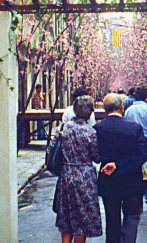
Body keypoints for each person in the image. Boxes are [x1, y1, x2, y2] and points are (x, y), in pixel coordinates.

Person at [48, 96, 103, 243]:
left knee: (66, 217)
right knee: (82, 219)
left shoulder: (62, 129)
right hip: (85, 177)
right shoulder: (90, 132)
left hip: (66, 175)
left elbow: (50, 149)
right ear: (90, 113)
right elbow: (97, 157)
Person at [94, 94, 147, 243]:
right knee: (131, 217)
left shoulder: (98, 128)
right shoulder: (134, 128)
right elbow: (142, 155)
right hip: (131, 181)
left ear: (105, 109)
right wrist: (120, 165)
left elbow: (94, 154)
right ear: (121, 107)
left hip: (108, 181)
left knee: (112, 219)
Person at [124, 87, 147, 208]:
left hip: (133, 142)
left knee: (136, 168)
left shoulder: (129, 110)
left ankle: (137, 196)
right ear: (146, 97)